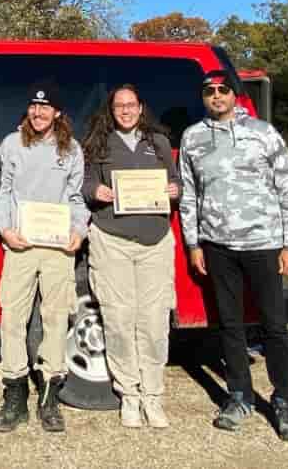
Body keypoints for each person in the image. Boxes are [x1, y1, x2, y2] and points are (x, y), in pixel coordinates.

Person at [178, 69, 288, 441]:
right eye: (209, 91)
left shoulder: (264, 133)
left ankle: (284, 403)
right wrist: (193, 243)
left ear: (235, 95)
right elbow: (188, 194)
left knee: (274, 327)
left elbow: (287, 188)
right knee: (229, 326)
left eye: (222, 91)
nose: (216, 96)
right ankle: (239, 396)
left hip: (263, 243)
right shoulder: (193, 137)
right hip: (217, 245)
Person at [80, 84, 181, 429]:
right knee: (119, 320)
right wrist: (96, 190)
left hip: (155, 241)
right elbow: (85, 183)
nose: (125, 111)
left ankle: (152, 395)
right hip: (112, 240)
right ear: (112, 110)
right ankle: (129, 395)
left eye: (131, 105)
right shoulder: (97, 144)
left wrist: (174, 189)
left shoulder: (159, 143)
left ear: (141, 108)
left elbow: (176, 181)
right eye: (119, 106)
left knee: (153, 322)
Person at [0, 81, 88, 434]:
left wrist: (79, 230)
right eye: (33, 106)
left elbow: (76, 197)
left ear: (57, 112)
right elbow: (3, 192)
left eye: (45, 107)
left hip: (58, 248)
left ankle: (49, 396)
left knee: (56, 319)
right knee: (12, 319)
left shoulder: (72, 150)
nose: (38, 112)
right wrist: (4, 229)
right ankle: (14, 395)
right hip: (20, 244)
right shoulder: (12, 144)